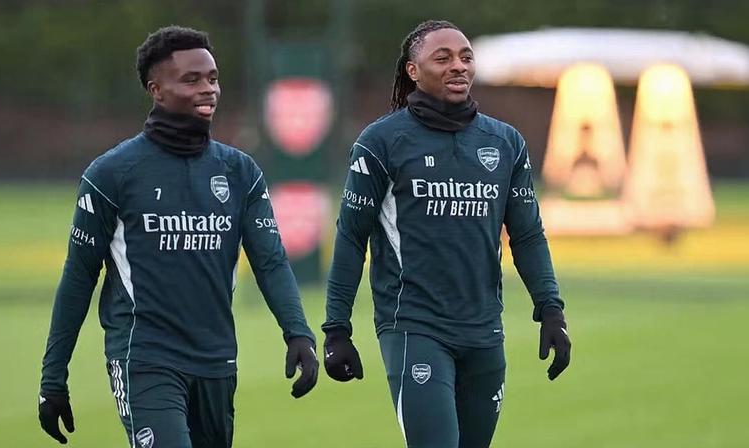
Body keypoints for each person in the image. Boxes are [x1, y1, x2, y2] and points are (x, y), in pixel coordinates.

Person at [38, 25, 318, 448]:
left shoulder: (239, 172)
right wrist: (53, 376)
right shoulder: (111, 175)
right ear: (156, 90)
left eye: (213, 78)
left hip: (217, 361)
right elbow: (79, 278)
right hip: (144, 360)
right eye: (192, 80)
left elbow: (271, 261)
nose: (209, 90)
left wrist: (298, 333)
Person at [322, 20, 571, 447]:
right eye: (443, 58)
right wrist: (336, 329)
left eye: (465, 57)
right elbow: (350, 238)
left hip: (484, 331)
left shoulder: (505, 142)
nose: (458, 66)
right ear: (412, 71)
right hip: (413, 327)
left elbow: (528, 235)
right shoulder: (381, 142)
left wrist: (551, 310)